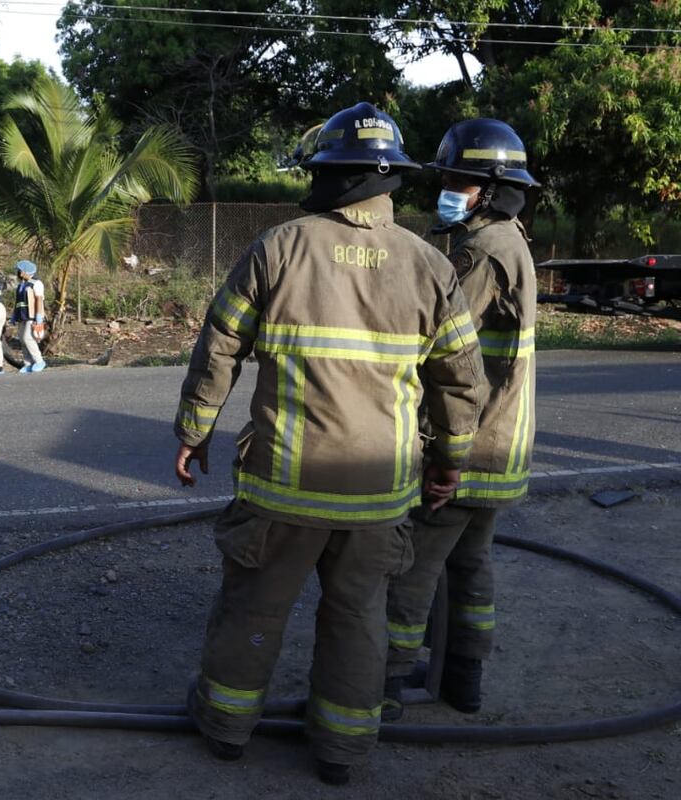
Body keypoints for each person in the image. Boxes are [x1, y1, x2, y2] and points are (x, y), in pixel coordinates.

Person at [174, 102, 485, 786]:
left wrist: (194, 431)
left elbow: (218, 347)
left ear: (325, 173)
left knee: (254, 606)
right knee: (358, 619)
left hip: (283, 487)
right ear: (391, 181)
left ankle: (226, 729)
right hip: (379, 493)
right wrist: (449, 464)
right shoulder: (431, 266)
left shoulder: (278, 248)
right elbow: (461, 383)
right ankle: (341, 751)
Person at [383, 120, 539, 721]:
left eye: (459, 180)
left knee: (413, 566)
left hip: (469, 446)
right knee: (470, 565)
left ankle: (387, 684)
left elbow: (446, 350)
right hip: (502, 445)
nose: (446, 188)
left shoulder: (482, 253)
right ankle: (462, 678)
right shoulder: (512, 240)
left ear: (491, 189)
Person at [13, 260, 47, 373]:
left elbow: (38, 300)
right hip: (22, 315)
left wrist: (38, 317)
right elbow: (18, 302)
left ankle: (39, 361)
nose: (18, 272)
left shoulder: (36, 283)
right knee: (22, 339)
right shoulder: (22, 284)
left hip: (32, 316)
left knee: (28, 338)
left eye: (20, 270)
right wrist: (14, 316)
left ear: (25, 271)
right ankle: (28, 363)